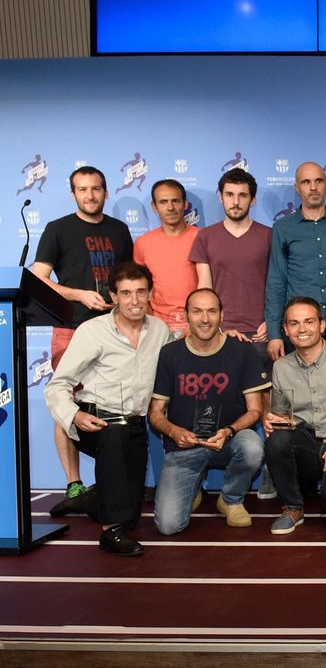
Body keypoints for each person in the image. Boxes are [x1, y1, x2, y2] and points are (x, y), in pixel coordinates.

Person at [44, 262, 171, 556]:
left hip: (136, 424)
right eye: (126, 293)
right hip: (95, 421)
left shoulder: (160, 330)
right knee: (113, 441)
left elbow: (178, 365)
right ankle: (109, 532)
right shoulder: (92, 331)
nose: (134, 300)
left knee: (131, 513)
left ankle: (90, 500)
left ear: (150, 293)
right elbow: (57, 385)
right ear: (113, 296)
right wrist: (75, 415)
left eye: (141, 292)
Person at [32, 166, 133, 513]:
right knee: (67, 406)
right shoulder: (58, 229)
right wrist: (78, 295)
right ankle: (74, 484)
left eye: (96, 189)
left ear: (106, 192)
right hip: (71, 328)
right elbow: (38, 279)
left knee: (114, 404)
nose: (90, 195)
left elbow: (129, 278)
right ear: (73, 193)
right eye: (83, 189)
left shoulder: (119, 230)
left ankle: (117, 480)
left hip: (114, 331)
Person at [149, 288, 271, 535]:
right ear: (186, 315)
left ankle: (231, 499)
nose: (205, 319)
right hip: (185, 447)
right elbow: (155, 413)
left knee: (252, 446)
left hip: (228, 440)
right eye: (197, 311)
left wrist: (228, 430)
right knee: (168, 526)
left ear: (222, 316)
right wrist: (174, 431)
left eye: (211, 311)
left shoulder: (242, 351)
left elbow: (255, 410)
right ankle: (192, 488)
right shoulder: (170, 354)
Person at [261, 297, 326, 534]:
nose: (302, 329)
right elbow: (281, 416)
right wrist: (271, 419)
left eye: (309, 321)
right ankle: (293, 508)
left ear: (322, 325)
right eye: (294, 323)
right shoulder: (280, 368)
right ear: (285, 330)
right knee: (277, 437)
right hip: (308, 447)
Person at [264, 161, 326, 360]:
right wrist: (274, 334)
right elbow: (277, 282)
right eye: (306, 182)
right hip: (300, 330)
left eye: (318, 181)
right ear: (297, 188)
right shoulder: (283, 227)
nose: (313, 187)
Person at [189, 167, 273, 359]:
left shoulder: (269, 235)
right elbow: (204, 287)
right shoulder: (205, 236)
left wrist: (272, 322)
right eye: (229, 194)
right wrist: (214, 327)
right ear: (221, 197)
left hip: (261, 333)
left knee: (263, 389)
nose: (235, 202)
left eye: (242, 195)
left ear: (253, 200)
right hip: (219, 332)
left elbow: (278, 284)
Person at [132, 179, 199, 338]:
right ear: (154, 207)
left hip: (198, 324)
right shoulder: (143, 243)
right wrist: (152, 322)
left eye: (175, 201)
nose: (170, 207)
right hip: (158, 326)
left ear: (185, 204)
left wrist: (197, 321)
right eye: (163, 202)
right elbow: (139, 287)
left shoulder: (202, 238)